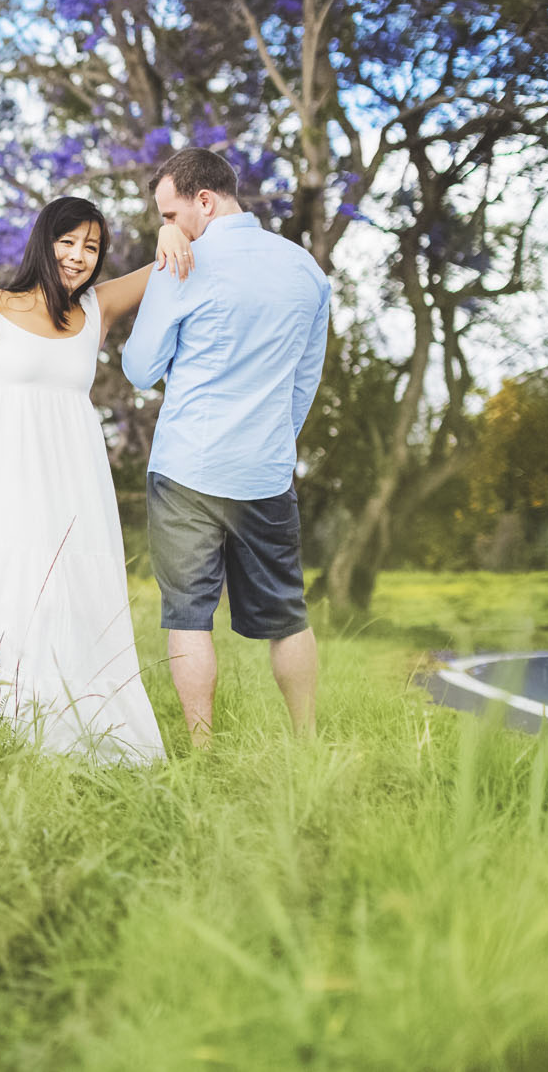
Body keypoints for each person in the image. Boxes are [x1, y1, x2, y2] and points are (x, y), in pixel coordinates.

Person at [0, 196, 192, 764]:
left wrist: (169, 233)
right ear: (44, 241)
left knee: (69, 594)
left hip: (70, 479)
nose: (78, 256)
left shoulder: (95, 308)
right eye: (68, 242)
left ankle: (72, 735)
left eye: (92, 247)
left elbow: (164, 269)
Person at [120, 148, 332, 748]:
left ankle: (204, 751)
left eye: (170, 214)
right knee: (288, 615)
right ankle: (307, 743)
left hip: (187, 466)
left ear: (203, 202)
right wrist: (270, 444)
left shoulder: (184, 265)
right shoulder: (306, 271)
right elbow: (303, 381)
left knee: (189, 615)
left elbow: (139, 368)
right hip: (265, 471)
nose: (167, 227)